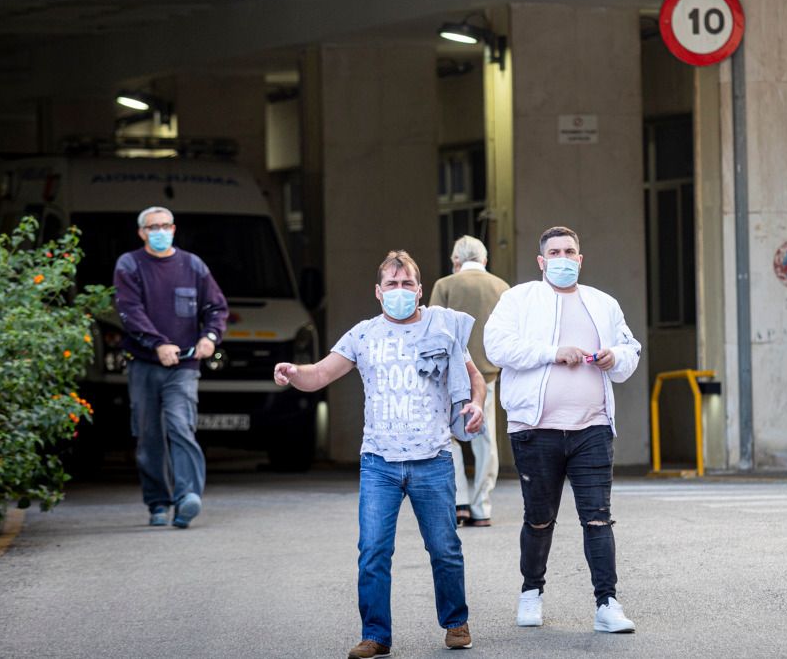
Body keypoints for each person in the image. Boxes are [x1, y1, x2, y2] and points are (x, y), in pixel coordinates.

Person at [274, 250, 486, 659]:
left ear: (420, 289)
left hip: (433, 458)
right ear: (378, 291)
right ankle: (375, 635)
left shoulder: (443, 329)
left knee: (444, 548)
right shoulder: (363, 334)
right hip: (379, 463)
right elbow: (320, 373)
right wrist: (293, 372)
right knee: (373, 552)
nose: (400, 291)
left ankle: (456, 623)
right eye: (392, 284)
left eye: (408, 284)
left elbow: (474, 379)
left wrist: (474, 405)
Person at [484, 225, 642, 634]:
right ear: (541, 261)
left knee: (598, 518)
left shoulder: (602, 303)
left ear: (580, 258)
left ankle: (607, 603)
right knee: (539, 518)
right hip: (535, 429)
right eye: (554, 252)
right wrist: (552, 354)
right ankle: (531, 593)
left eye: (570, 251)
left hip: (592, 428)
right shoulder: (518, 299)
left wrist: (615, 357)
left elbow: (630, 351)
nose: (563, 258)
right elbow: (496, 347)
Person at [112, 205, 228, 529]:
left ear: (174, 229)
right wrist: (158, 344)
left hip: (185, 364)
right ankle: (158, 502)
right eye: (153, 227)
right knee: (148, 435)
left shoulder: (193, 265)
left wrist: (210, 336)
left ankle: (187, 497)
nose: (160, 231)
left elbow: (216, 307)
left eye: (165, 225)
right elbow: (130, 311)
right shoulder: (130, 265)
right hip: (144, 363)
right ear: (141, 232)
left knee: (181, 425)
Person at [431, 234, 510, 529]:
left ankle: (459, 503)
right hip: (487, 376)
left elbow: (434, 331)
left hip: (449, 376)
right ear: (485, 260)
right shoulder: (501, 287)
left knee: (449, 438)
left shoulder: (444, 286)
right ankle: (481, 506)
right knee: (486, 441)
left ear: (455, 261)